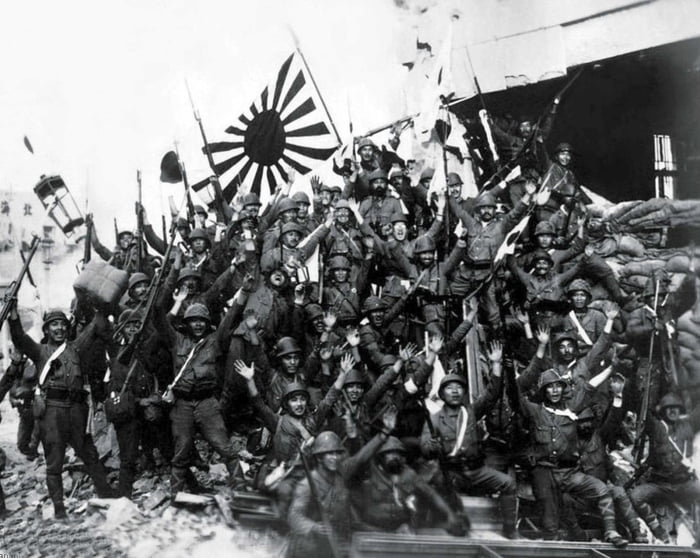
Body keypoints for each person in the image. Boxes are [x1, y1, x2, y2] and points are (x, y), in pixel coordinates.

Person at [8, 305, 115, 519]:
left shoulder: (76, 347)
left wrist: (102, 307)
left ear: (68, 328)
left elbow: (93, 328)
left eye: (62, 325)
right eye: (54, 325)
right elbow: (19, 337)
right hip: (52, 411)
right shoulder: (39, 351)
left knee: (90, 455)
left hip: (76, 410)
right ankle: (59, 510)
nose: (59, 328)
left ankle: (106, 496)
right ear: (47, 330)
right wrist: (13, 316)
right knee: (54, 461)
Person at [154, 273, 253, 496]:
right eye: (193, 321)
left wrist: (244, 292)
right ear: (186, 323)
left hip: (208, 402)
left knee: (225, 448)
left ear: (207, 323)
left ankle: (240, 489)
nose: (197, 324)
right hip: (182, 404)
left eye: (201, 321)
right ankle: (176, 497)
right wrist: (175, 297)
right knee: (181, 452)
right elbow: (157, 315)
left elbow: (231, 317)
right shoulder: (175, 340)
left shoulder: (214, 341)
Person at [421, 342, 519, 539]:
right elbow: (424, 448)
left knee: (508, 484)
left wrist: (496, 364)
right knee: (431, 487)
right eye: (450, 388)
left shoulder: (471, 413)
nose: (455, 391)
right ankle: (432, 531)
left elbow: (492, 393)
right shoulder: (434, 419)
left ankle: (510, 531)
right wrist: (431, 446)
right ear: (442, 394)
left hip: (476, 471)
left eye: (459, 387)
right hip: (452, 473)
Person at [629, 392, 700, 543]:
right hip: (660, 485)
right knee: (636, 496)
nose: (673, 411)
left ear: (680, 410)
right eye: (669, 408)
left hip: (683, 484)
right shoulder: (656, 427)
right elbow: (642, 407)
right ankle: (658, 530)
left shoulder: (689, 425)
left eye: (676, 408)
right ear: (662, 411)